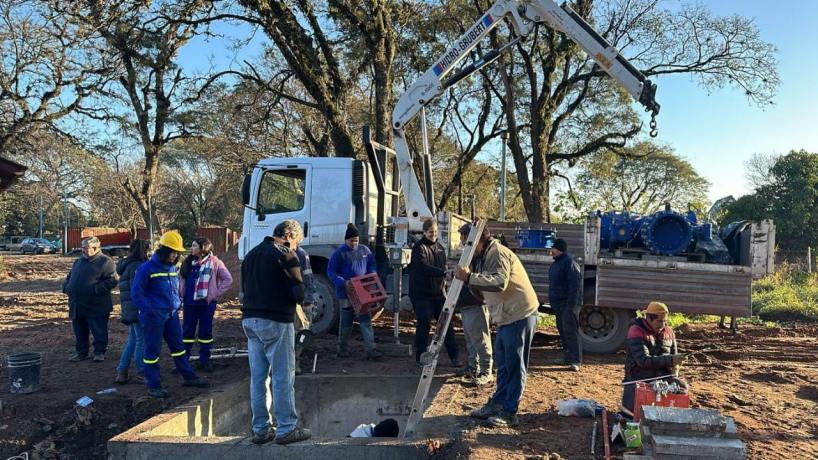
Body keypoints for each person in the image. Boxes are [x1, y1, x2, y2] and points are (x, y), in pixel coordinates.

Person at [454, 224, 539, 428]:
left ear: (478, 241)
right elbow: (484, 290)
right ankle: (498, 403)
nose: (464, 248)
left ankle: (510, 412)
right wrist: (469, 281)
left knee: (514, 366)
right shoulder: (483, 257)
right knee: (503, 365)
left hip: (519, 314)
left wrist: (469, 278)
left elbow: (499, 282)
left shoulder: (497, 253)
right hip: (507, 316)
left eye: (467, 244)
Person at [241, 220, 312, 445]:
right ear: (289, 235)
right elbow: (298, 292)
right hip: (276, 320)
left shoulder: (251, 255)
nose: (296, 247)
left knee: (259, 378)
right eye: (297, 242)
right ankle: (287, 428)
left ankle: (261, 429)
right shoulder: (284, 254)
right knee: (283, 375)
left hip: (250, 320)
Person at [131, 230, 208, 398]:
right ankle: (153, 385)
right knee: (152, 351)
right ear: (164, 250)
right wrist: (149, 310)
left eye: (177, 253)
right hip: (154, 316)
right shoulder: (146, 269)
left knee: (178, 348)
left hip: (171, 314)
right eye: (173, 252)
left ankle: (188, 377)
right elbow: (136, 294)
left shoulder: (173, 267)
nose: (175, 256)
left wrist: (176, 304)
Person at [620, 301, 688, 419]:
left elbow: (674, 356)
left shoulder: (669, 332)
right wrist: (671, 360)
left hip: (663, 378)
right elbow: (643, 361)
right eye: (659, 321)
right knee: (630, 415)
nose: (663, 325)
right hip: (639, 378)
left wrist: (675, 368)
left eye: (665, 321)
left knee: (683, 388)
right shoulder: (636, 330)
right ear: (648, 318)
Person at [409, 219, 461, 368]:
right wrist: (443, 273)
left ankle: (455, 357)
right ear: (424, 232)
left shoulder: (440, 248)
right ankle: (420, 356)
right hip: (422, 295)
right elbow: (424, 268)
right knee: (424, 323)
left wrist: (444, 286)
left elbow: (442, 265)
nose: (433, 235)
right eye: (431, 232)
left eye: (435, 232)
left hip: (438, 293)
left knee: (446, 325)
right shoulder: (419, 248)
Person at [327, 223, 383, 361]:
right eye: (351, 240)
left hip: (362, 291)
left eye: (356, 240)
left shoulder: (365, 251)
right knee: (346, 320)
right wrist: (342, 282)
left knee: (365, 319)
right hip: (346, 292)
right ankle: (342, 349)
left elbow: (372, 266)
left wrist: (370, 277)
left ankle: (371, 350)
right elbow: (331, 272)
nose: (354, 243)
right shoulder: (339, 253)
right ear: (346, 240)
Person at [179, 237, 233, 372]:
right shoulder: (187, 262)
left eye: (194, 246)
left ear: (203, 248)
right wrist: (181, 294)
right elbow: (182, 279)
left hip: (206, 305)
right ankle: (183, 362)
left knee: (205, 333)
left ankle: (205, 361)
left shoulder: (215, 262)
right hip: (189, 304)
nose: (192, 248)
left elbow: (228, 279)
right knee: (187, 333)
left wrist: (215, 294)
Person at [63, 236, 118, 362]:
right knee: (79, 331)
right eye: (82, 247)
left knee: (99, 330)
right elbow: (69, 276)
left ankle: (99, 352)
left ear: (95, 248)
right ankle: (81, 352)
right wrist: (66, 287)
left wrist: (96, 290)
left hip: (96, 305)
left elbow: (113, 280)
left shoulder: (106, 261)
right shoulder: (78, 261)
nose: (83, 250)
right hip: (77, 304)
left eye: (85, 248)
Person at [274, 220, 317, 375]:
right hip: (288, 300)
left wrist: (308, 299)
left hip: (297, 301)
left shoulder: (300, 254)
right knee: (292, 333)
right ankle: (288, 363)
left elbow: (307, 278)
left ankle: (295, 361)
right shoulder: (284, 252)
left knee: (300, 333)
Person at [456, 223, 493, 386]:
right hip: (467, 303)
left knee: (480, 338)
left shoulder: (479, 257)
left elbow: (477, 278)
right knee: (471, 339)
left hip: (475, 303)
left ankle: (486, 371)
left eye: (464, 239)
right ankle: (473, 366)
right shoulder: (470, 256)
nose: (462, 242)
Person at [115, 239, 150, 384]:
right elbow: (138, 290)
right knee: (141, 340)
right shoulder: (138, 266)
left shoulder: (127, 265)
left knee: (133, 339)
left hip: (129, 308)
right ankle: (141, 371)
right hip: (137, 309)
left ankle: (122, 371)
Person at [548, 238, 582, 371]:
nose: (551, 250)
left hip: (568, 305)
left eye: (553, 248)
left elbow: (575, 288)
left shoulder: (570, 264)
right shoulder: (556, 264)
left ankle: (576, 361)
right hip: (558, 305)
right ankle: (567, 357)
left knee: (571, 332)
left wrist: (570, 307)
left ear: (559, 249)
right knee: (562, 331)